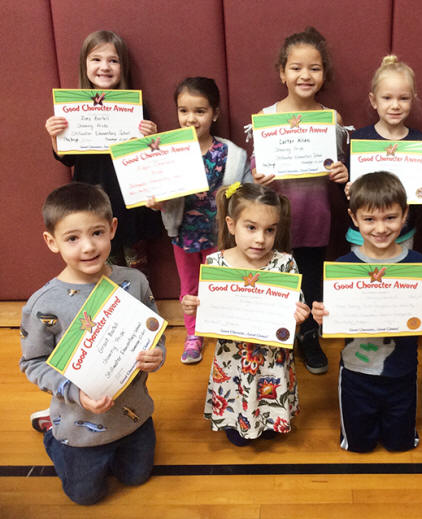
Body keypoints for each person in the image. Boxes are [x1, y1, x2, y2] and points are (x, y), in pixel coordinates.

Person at [20, 182, 165, 505]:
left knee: (138, 477)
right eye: (72, 238)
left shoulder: (135, 282)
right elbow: (32, 362)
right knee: (85, 497)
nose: (88, 247)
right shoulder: (44, 304)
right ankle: (51, 432)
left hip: (134, 416)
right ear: (51, 241)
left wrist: (158, 354)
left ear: (113, 228)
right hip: (77, 425)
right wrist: (74, 393)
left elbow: (155, 332)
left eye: (97, 233)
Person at [312, 172, 422, 452]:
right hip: (357, 373)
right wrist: (322, 317)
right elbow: (331, 323)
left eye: (390, 217)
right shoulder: (343, 267)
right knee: (359, 446)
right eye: (370, 219)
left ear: (405, 214)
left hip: (403, 371)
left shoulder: (418, 263)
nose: (380, 228)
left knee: (401, 445)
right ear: (354, 218)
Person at [181, 183, 310, 446]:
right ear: (231, 225)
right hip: (232, 357)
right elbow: (209, 308)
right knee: (237, 427)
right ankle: (236, 419)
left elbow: (296, 304)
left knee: (271, 386)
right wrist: (193, 305)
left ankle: (272, 417)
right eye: (251, 228)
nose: (260, 239)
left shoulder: (284, 263)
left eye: (269, 230)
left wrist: (300, 313)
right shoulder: (216, 264)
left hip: (271, 355)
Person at [252, 27, 349, 375]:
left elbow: (340, 172)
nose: (305, 75)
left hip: (315, 219)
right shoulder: (264, 119)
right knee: (276, 282)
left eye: (314, 68)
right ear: (282, 72)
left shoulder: (331, 119)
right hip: (274, 223)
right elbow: (254, 174)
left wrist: (342, 173)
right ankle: (275, 339)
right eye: (295, 67)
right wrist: (258, 175)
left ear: (324, 74)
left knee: (310, 284)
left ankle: (308, 337)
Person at [147, 77, 251, 363]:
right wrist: (157, 204)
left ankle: (225, 330)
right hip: (184, 234)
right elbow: (158, 195)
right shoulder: (165, 151)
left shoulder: (231, 154)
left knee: (223, 282)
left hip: (220, 234)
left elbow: (247, 193)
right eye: (183, 111)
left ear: (215, 113)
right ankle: (193, 334)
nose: (190, 119)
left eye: (200, 111)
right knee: (190, 287)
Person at [44, 30, 161, 272]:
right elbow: (67, 158)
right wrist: (56, 137)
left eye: (113, 60)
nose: (104, 67)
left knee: (136, 265)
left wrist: (151, 139)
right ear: (84, 65)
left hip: (130, 202)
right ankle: (109, 306)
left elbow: (150, 160)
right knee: (101, 262)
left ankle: (140, 305)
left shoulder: (136, 108)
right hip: (92, 197)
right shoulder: (72, 109)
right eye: (96, 59)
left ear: (123, 67)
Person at [346, 55, 422, 249]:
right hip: (362, 235)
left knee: (399, 279)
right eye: (387, 98)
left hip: (402, 234)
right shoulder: (360, 140)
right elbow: (348, 186)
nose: (395, 105)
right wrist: (347, 188)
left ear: (412, 100)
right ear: (374, 100)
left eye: (403, 98)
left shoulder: (419, 142)